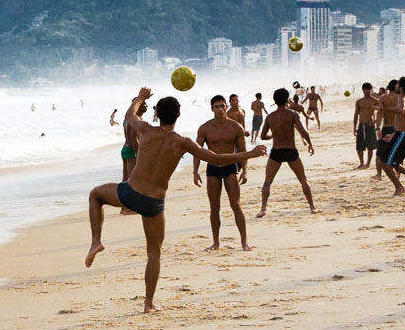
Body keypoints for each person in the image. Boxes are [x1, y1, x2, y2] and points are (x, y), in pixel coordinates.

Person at [86, 88, 265, 313]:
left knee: (96, 195)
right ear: (178, 116)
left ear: (157, 115)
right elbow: (216, 159)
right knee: (154, 253)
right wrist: (249, 154)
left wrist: (141, 97)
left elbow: (129, 116)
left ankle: (96, 241)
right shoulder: (182, 142)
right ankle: (148, 304)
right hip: (153, 204)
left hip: (130, 194)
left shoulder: (146, 130)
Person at [192, 94, 253, 250]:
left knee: (236, 205)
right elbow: (197, 151)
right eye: (217, 106)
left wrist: (245, 170)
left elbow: (243, 151)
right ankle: (216, 242)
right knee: (214, 207)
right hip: (212, 168)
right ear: (211, 108)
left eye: (222, 106)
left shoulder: (235, 127)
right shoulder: (205, 128)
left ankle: (244, 241)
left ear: (227, 107)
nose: (220, 109)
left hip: (230, 167)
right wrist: (195, 171)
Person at [257, 86, 316, 217]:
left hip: (276, 151)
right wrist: (310, 144)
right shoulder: (292, 114)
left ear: (274, 100)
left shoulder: (270, 117)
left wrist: (272, 136)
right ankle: (312, 207)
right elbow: (303, 131)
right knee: (303, 180)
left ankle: (263, 209)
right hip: (291, 150)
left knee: (267, 181)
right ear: (286, 100)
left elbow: (262, 136)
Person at [377, 79, 405, 194]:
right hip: (402, 133)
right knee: (393, 163)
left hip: (402, 135)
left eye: (397, 84)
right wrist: (394, 133)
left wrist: (384, 109)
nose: (395, 86)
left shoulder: (403, 98)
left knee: (384, 162)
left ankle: (399, 187)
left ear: (401, 87)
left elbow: (400, 111)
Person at [353, 82, 381, 169]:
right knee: (359, 146)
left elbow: (382, 111)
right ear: (363, 90)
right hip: (361, 125)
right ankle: (361, 162)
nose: (367, 91)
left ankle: (368, 163)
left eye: (368, 89)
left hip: (370, 125)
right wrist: (354, 127)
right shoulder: (359, 102)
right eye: (365, 89)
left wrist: (375, 121)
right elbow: (356, 114)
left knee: (370, 146)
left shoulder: (374, 101)